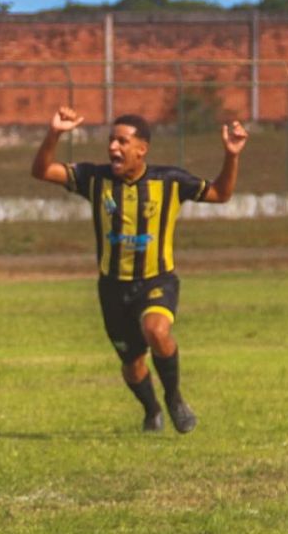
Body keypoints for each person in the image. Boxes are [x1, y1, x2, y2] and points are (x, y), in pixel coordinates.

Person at [31, 106, 248, 433]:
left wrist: (231, 155)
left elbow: (221, 194)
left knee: (157, 332)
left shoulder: (170, 181)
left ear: (141, 149)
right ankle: (152, 410)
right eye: (111, 141)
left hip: (156, 280)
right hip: (113, 288)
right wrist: (55, 133)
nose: (113, 148)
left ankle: (175, 399)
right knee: (132, 366)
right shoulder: (95, 179)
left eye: (122, 141)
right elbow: (42, 171)